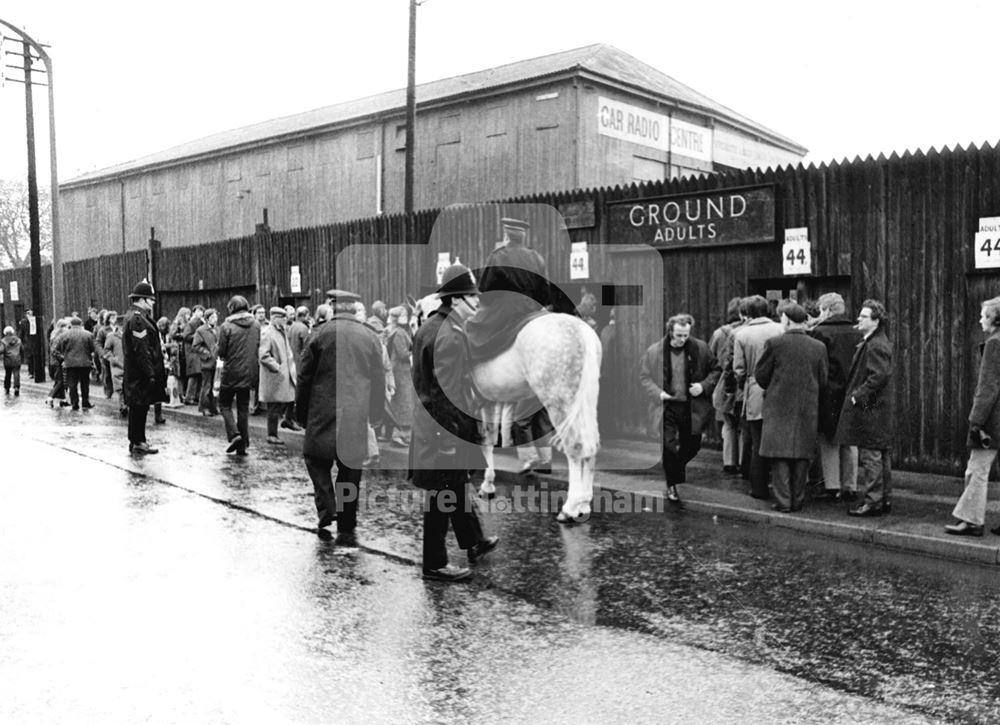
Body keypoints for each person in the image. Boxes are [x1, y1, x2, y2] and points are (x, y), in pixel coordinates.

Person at [411, 264, 498, 581]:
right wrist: (449, 440)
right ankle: (434, 563)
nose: (477, 304)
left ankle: (474, 541)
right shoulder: (450, 335)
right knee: (441, 494)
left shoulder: (431, 326)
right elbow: (445, 394)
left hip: (433, 426)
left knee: (455, 486)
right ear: (457, 300)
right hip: (444, 430)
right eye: (473, 298)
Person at [296, 289, 385, 546]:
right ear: (354, 308)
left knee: (315, 459)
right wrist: (376, 414)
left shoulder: (319, 334)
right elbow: (377, 379)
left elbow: (304, 378)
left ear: (333, 306)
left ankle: (327, 509)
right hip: (356, 414)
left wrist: (301, 413)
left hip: (321, 412)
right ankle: (346, 522)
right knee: (350, 469)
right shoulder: (369, 337)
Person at [754, 302, 829, 512]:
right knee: (802, 455)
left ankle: (783, 501)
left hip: (778, 407)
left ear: (785, 320)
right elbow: (823, 379)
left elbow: (761, 375)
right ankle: (798, 499)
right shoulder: (818, 347)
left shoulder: (774, 344)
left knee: (779, 456)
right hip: (807, 407)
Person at [639, 313, 720, 503]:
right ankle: (672, 485)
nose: (683, 339)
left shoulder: (700, 348)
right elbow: (644, 377)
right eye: (679, 336)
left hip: (691, 407)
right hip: (667, 406)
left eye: (686, 335)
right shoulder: (655, 351)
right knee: (668, 447)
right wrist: (658, 393)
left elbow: (716, 370)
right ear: (670, 332)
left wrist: (703, 386)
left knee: (692, 445)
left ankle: (675, 470)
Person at [946, 296, 1000, 536]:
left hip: (993, 419)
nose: (980, 320)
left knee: (976, 469)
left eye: (983, 316)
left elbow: (988, 387)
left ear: (994, 319)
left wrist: (976, 421)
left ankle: (972, 520)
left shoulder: (994, 344)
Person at [836, 299, 894, 517]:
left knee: (871, 455)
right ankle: (883, 498)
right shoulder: (875, 341)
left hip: (871, 409)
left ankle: (873, 501)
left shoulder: (875, 344)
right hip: (876, 408)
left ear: (876, 321)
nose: (858, 319)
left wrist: (856, 397)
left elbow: (878, 376)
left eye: (863, 317)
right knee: (880, 454)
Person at [810, 292, 863, 502]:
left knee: (828, 440)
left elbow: (818, 366)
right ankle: (850, 485)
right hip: (855, 392)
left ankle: (832, 486)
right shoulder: (857, 332)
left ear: (827, 310)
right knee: (851, 440)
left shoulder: (819, 333)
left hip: (828, 393)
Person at [733, 295, 785, 499]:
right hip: (779, 389)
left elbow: (739, 369)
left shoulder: (742, 335)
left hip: (754, 389)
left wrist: (744, 385)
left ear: (747, 313)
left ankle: (759, 488)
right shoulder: (781, 329)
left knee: (756, 442)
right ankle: (781, 486)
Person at [122, 281, 168, 454]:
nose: (153, 302)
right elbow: (141, 349)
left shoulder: (137, 317)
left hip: (138, 371)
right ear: (142, 300)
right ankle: (137, 441)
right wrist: (149, 373)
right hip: (140, 372)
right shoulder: (138, 320)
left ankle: (137, 440)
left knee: (140, 406)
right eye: (151, 299)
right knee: (139, 406)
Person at [216, 295, 261, 456]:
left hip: (231, 372)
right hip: (249, 373)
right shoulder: (256, 324)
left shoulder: (226, 326)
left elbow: (221, 352)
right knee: (243, 409)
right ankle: (242, 447)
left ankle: (235, 434)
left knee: (224, 404)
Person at [709, 297, 744, 475]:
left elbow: (711, 356)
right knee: (743, 426)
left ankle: (729, 461)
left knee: (729, 424)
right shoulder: (745, 331)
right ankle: (742, 460)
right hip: (741, 383)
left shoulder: (718, 333)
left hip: (724, 382)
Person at [259, 307, 297, 444]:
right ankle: (271, 434)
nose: (285, 321)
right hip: (274, 376)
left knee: (285, 401)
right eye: (282, 318)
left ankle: (287, 421)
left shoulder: (281, 331)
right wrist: (277, 367)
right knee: (273, 407)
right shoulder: (268, 333)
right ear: (275, 318)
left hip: (283, 375)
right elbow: (263, 355)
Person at [385, 305, 415, 446]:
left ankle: (400, 434)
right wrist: (413, 353)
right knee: (404, 403)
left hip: (399, 370)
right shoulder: (400, 333)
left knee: (402, 403)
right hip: (401, 372)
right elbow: (403, 354)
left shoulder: (396, 331)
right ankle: (402, 435)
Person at [56, 317, 97, 411]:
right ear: (81, 324)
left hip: (70, 364)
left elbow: (58, 348)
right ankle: (85, 403)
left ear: (70, 324)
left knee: (72, 385)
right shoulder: (88, 334)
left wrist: (63, 358)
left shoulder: (64, 335)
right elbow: (93, 348)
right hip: (85, 363)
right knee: (85, 384)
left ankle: (75, 403)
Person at [192, 308, 219, 416]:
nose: (215, 319)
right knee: (206, 386)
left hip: (218, 362)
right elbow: (195, 346)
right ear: (207, 319)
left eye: (216, 317)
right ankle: (204, 407)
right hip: (207, 362)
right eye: (212, 317)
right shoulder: (200, 330)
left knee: (215, 386)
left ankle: (213, 407)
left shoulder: (219, 329)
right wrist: (207, 354)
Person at [102, 314, 127, 417]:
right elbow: (106, 350)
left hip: (130, 365)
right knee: (120, 388)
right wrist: (113, 359)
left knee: (129, 387)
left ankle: (127, 405)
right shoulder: (112, 336)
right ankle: (123, 406)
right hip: (118, 366)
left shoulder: (131, 335)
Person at [181, 306, 205, 404]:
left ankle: (196, 396)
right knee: (194, 374)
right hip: (191, 352)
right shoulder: (191, 323)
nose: (200, 313)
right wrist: (198, 335)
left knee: (199, 374)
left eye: (202, 311)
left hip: (197, 352)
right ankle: (189, 397)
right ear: (194, 312)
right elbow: (186, 336)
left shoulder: (200, 322)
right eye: (198, 311)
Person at [1, 326, 23, 395]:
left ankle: (7, 388)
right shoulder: (18, 340)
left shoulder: (3, 340)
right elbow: (22, 349)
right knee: (16, 373)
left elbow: (1, 350)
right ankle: (16, 387)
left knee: (8, 374)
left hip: (7, 360)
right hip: (17, 359)